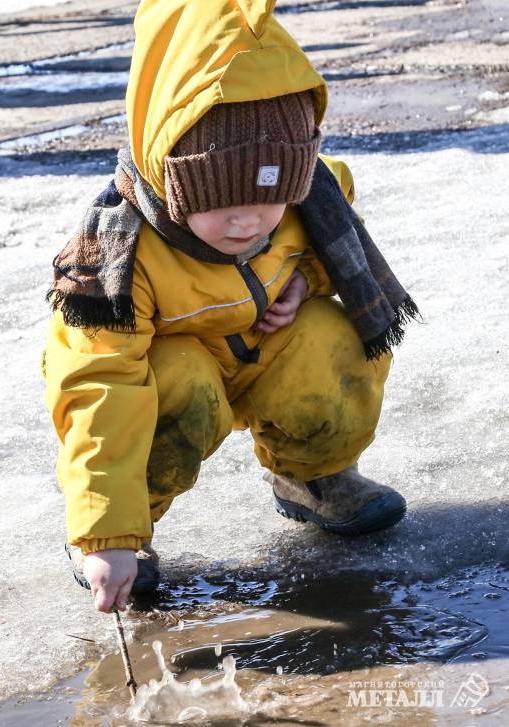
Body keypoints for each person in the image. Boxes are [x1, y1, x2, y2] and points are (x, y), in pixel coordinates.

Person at [43, 0, 418, 614]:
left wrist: (305, 280)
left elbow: (323, 244)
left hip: (265, 356)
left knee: (335, 333)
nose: (250, 222)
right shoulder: (114, 256)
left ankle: (312, 477)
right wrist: (106, 535)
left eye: (270, 200)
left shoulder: (311, 196)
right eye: (224, 202)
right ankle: (125, 536)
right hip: (180, 382)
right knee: (169, 386)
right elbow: (98, 387)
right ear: (173, 179)